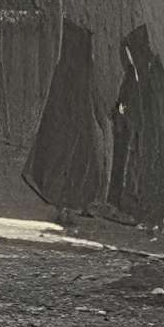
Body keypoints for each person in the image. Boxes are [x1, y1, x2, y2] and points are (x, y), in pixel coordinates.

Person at [106, 21, 164, 231]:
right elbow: (126, 101)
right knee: (137, 174)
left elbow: (160, 111)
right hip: (137, 137)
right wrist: (122, 111)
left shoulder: (154, 76)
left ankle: (154, 217)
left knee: (154, 174)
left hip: (156, 139)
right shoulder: (133, 76)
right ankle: (141, 214)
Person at [23, 18, 110, 223]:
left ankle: (68, 208)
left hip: (73, 132)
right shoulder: (74, 72)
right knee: (69, 168)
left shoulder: (69, 71)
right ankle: (66, 208)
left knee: (75, 169)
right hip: (69, 132)